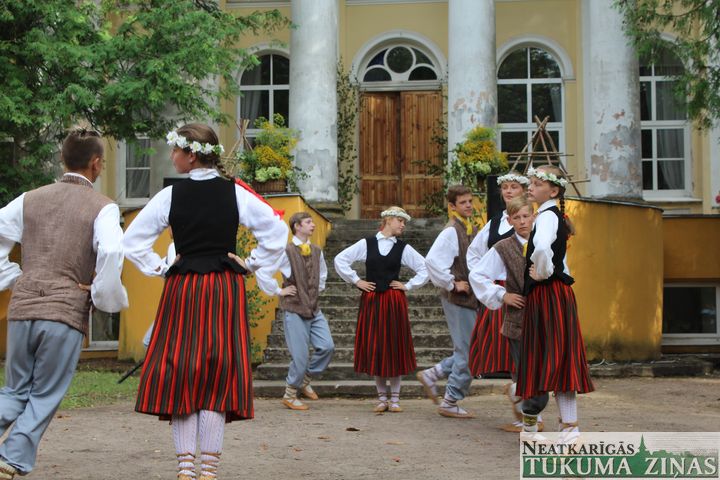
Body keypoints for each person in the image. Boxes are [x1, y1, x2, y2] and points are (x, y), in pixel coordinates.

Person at [123, 123, 287, 480]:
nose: (172, 156)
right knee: (217, 373)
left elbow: (132, 241)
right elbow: (277, 230)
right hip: (223, 288)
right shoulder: (236, 193)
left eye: (175, 151)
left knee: (182, 370)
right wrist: (251, 263)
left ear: (191, 155)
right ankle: (208, 469)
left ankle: (186, 468)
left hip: (183, 288)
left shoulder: (170, 196)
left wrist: (162, 267)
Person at [0, 128, 128, 479]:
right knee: (44, 393)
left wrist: (15, 277)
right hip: (64, 312)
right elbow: (112, 250)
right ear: (96, 163)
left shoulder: (29, 199)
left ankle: (10, 455)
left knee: (14, 389)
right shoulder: (103, 207)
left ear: (62, 158)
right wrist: (99, 293)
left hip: (23, 308)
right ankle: (11, 458)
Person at [519, 165, 594, 433]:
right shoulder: (551, 215)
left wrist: (542, 273)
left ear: (553, 191)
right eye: (531, 183)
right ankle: (563, 428)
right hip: (553, 294)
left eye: (537, 184)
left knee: (553, 358)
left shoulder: (548, 216)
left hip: (548, 294)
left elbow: (541, 248)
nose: (531, 187)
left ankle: (565, 430)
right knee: (556, 357)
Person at [334, 207, 428, 413]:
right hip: (373, 301)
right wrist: (357, 281)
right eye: (400, 221)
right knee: (376, 346)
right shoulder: (367, 244)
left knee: (394, 346)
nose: (403, 225)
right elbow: (340, 259)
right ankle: (381, 398)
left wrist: (408, 285)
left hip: (394, 301)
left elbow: (425, 267)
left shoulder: (403, 248)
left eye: (404, 222)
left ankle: (395, 399)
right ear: (389, 220)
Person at [468, 196, 547, 432]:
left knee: (542, 372)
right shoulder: (503, 247)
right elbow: (477, 275)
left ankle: (518, 394)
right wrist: (502, 295)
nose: (522, 221)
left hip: (545, 316)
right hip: (517, 319)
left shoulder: (545, 242)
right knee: (526, 373)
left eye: (526, 216)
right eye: (516, 217)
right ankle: (531, 424)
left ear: (534, 217)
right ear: (510, 221)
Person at [255, 212, 334, 411]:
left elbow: (322, 274)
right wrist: (278, 290)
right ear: (297, 226)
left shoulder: (317, 250)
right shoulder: (286, 251)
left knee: (327, 347)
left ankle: (305, 379)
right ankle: (290, 394)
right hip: (294, 309)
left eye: (312, 222)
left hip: (313, 308)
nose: (312, 225)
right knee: (300, 357)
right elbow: (263, 271)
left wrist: (314, 291)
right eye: (308, 222)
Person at [419, 185, 479, 418]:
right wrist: (452, 284)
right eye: (463, 202)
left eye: (470, 201)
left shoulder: (469, 227)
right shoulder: (451, 231)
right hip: (458, 299)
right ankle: (450, 400)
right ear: (452, 206)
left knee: (471, 348)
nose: (468, 205)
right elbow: (432, 262)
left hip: (470, 298)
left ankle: (434, 373)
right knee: (469, 351)